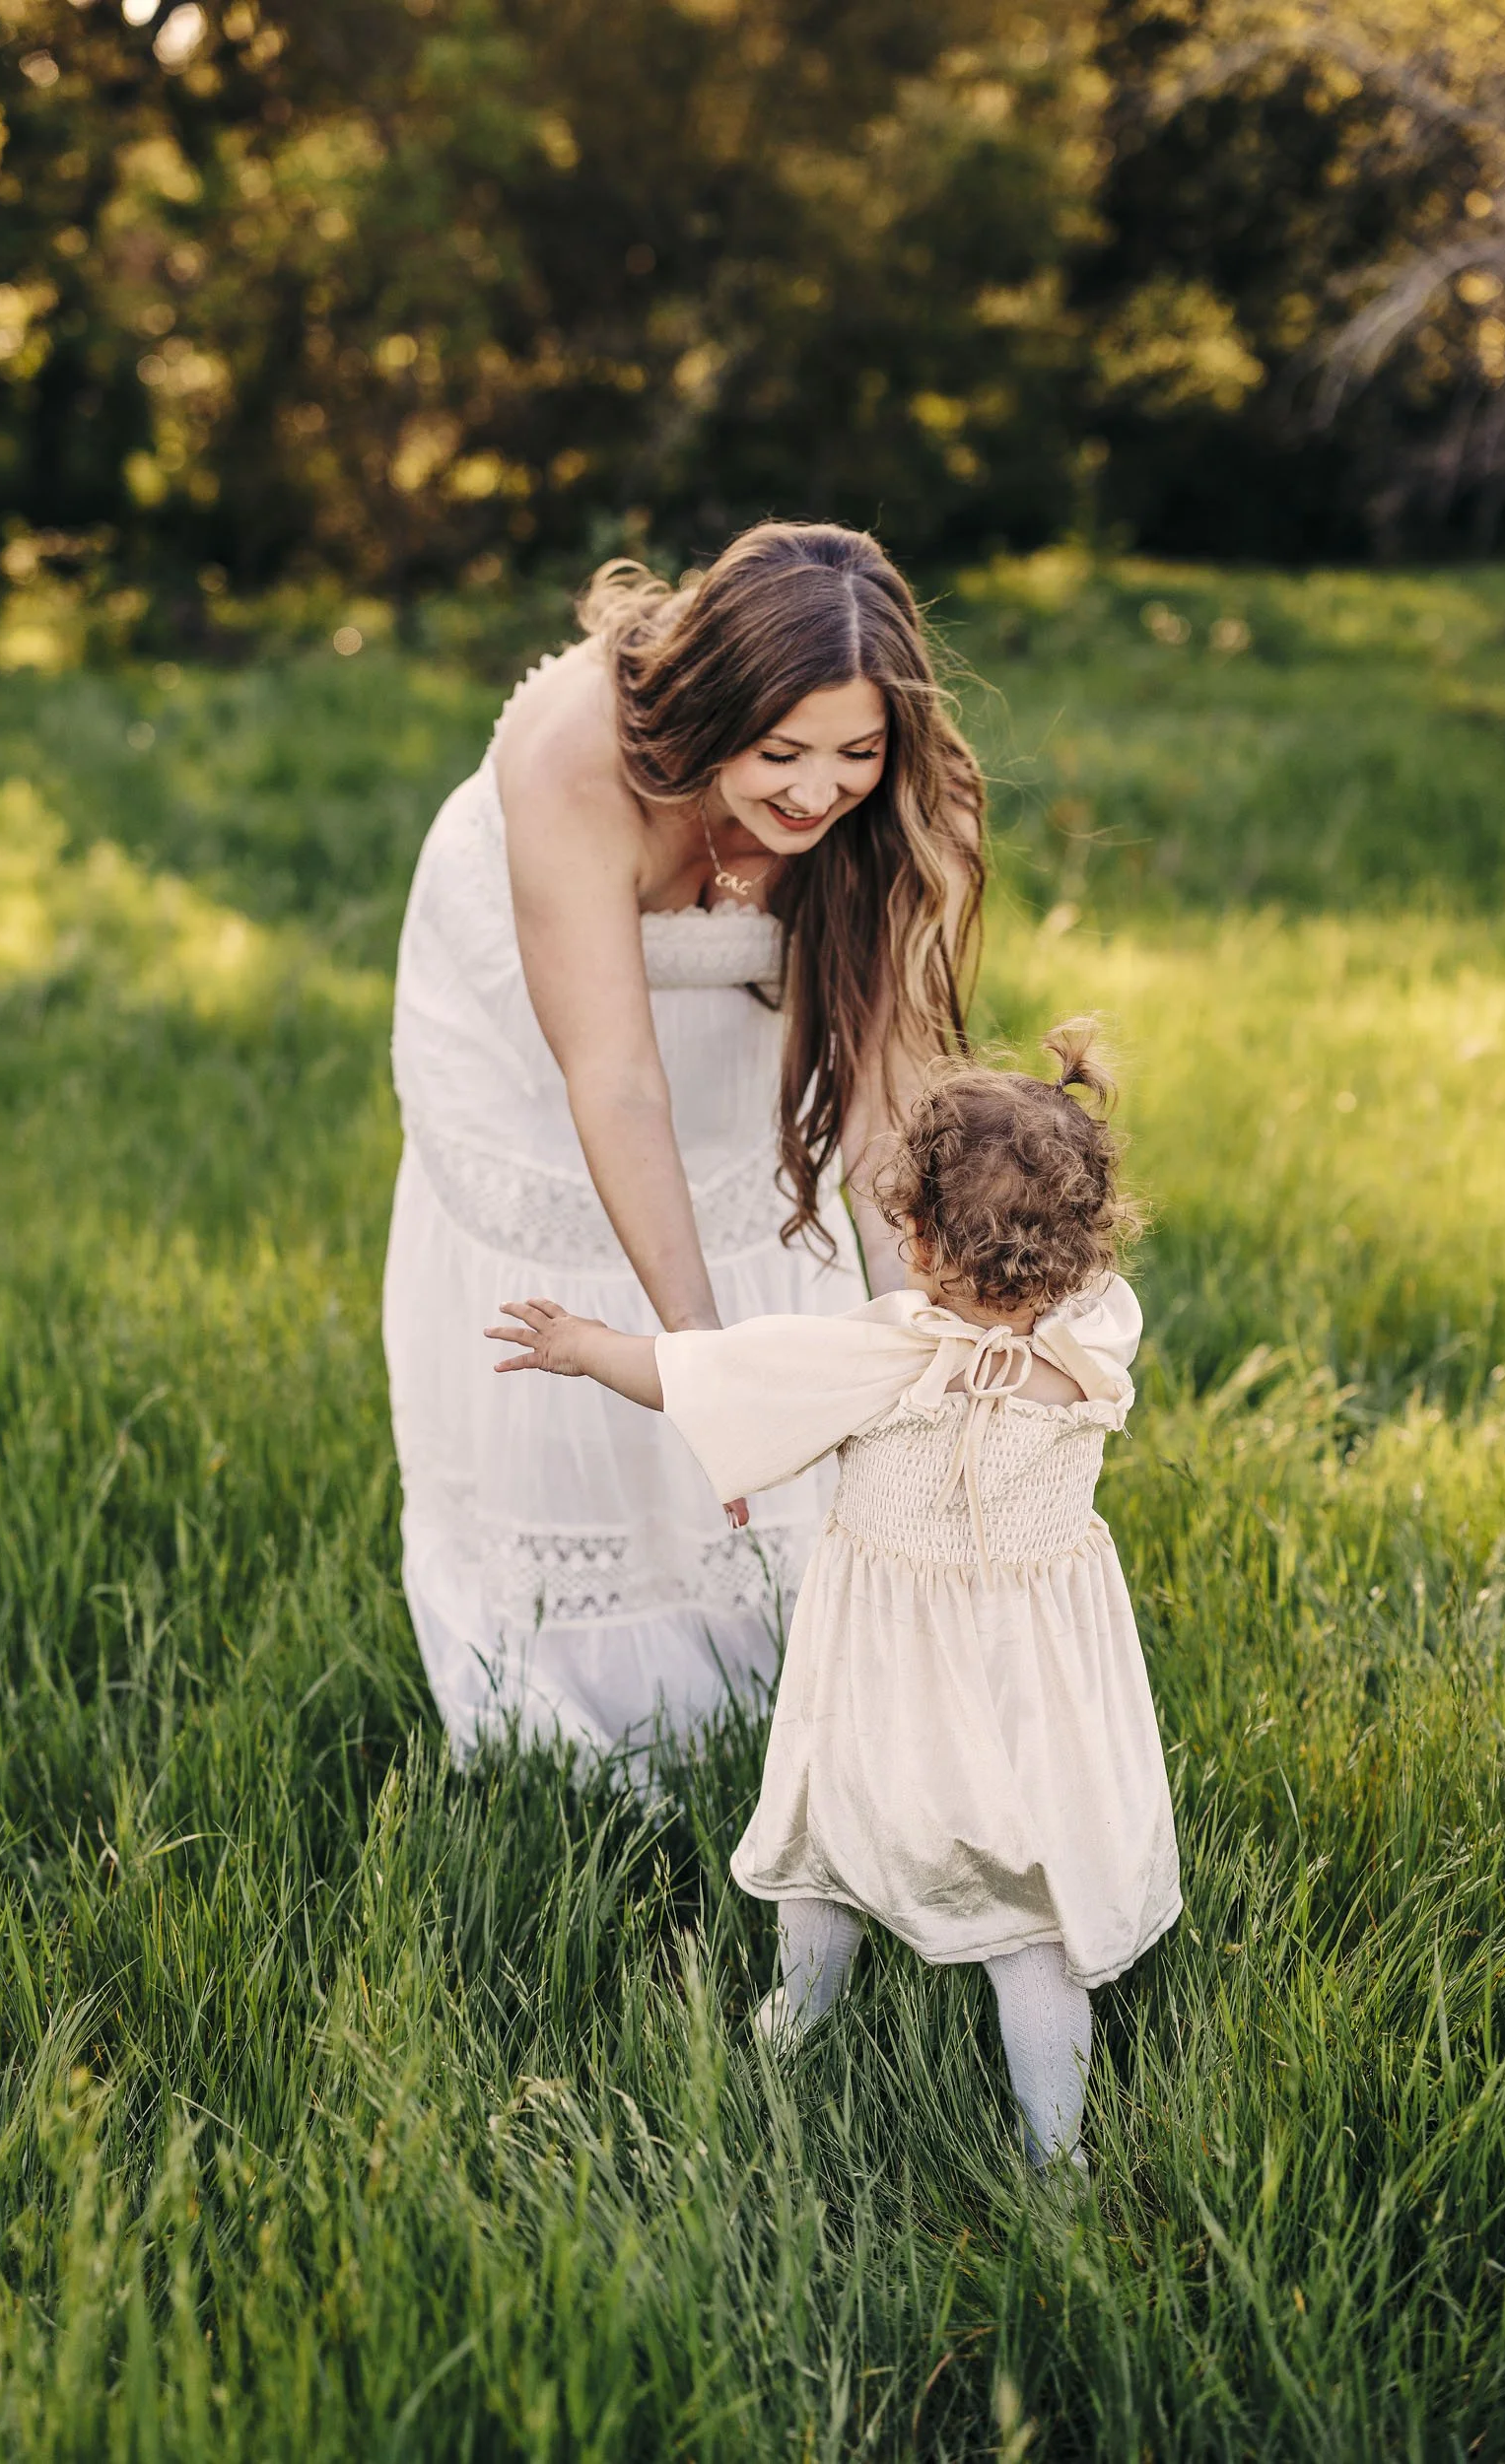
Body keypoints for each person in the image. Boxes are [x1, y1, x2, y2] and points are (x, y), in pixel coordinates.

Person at [485, 1026, 1182, 2170]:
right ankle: (1053, 2152)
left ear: (911, 1235)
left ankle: (798, 2017)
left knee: (827, 1847)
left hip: (889, 1674)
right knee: (1032, 1917)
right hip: (1032, 1678)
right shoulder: (1099, 1332)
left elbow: (701, 1375)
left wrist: (585, 1342)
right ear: (1081, 1246)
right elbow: (1070, 1282)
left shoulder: (883, 1355)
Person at [383, 521, 984, 1755]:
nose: (818, 791)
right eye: (779, 753)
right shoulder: (575, 751)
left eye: (855, 751)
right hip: (528, 1006)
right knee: (585, 1222)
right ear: (713, 711)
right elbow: (613, 1083)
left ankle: (765, 1619)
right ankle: (555, 1655)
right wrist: (709, 1373)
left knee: (739, 1197)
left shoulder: (905, 808)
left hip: (712, 1018)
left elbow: (882, 1117)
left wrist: (939, 1348)